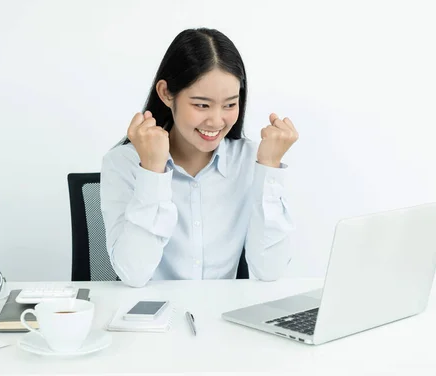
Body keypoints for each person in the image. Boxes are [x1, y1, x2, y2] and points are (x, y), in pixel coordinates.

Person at [100, 28, 298, 288]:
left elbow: (269, 270)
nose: (217, 121)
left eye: (229, 105)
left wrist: (269, 168)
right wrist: (152, 172)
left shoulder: (251, 160)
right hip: (151, 321)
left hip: (221, 320)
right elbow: (133, 274)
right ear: (166, 93)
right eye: (202, 105)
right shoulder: (124, 162)